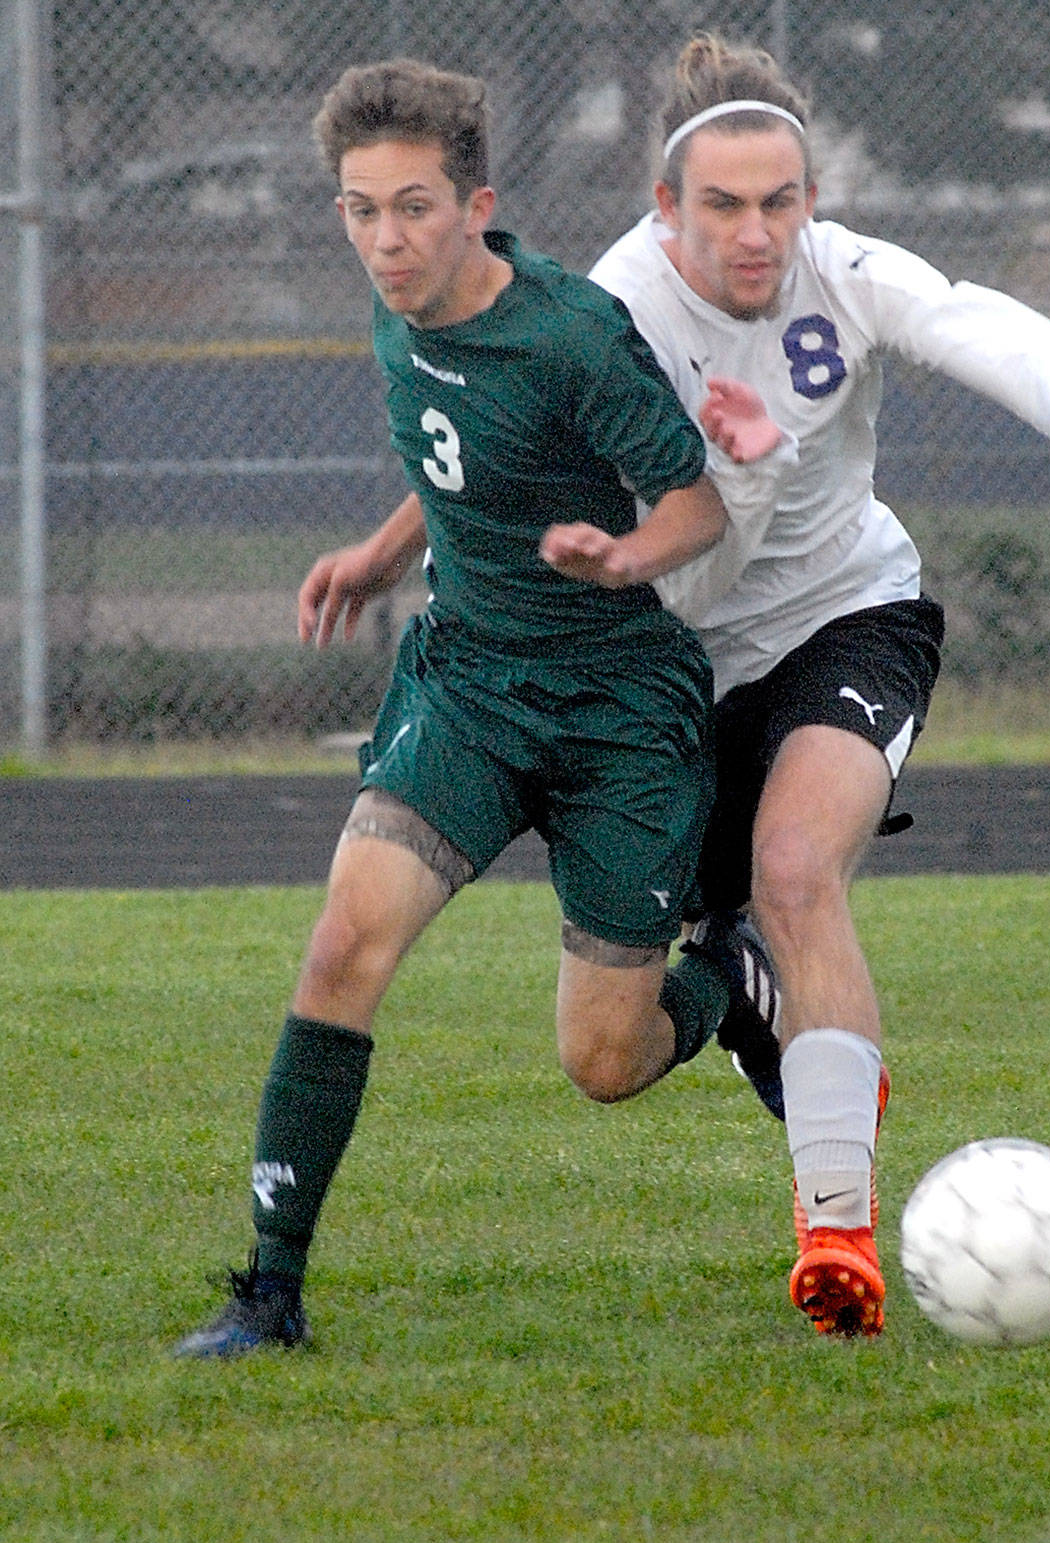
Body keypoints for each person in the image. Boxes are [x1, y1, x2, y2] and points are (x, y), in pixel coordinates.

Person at [544, 33, 1050, 1339]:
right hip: (676, 661)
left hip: (851, 616)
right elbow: (683, 580)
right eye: (722, 205)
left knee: (796, 869)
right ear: (665, 208)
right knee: (622, 1038)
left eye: (782, 199)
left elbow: (963, 316)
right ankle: (739, 981)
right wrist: (736, 481)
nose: (757, 232)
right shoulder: (615, 325)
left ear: (811, 196)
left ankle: (838, 1241)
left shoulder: (843, 274)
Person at [174, 57, 782, 1359]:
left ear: (476, 204)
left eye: (411, 209)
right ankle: (269, 1292)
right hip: (472, 681)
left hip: (620, 703)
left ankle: (728, 978)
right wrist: (384, 554)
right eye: (358, 210)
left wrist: (619, 557)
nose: (384, 241)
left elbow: (695, 505)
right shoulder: (398, 313)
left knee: (603, 1063)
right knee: (345, 945)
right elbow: (455, 454)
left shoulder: (568, 335)